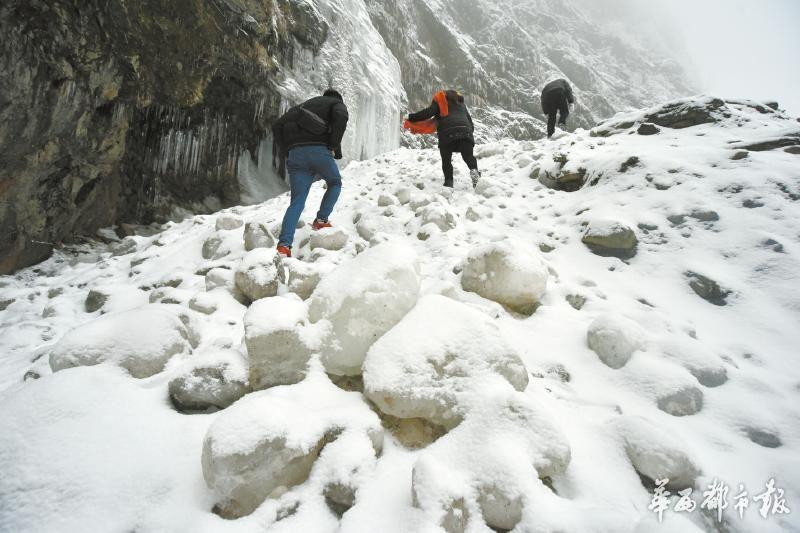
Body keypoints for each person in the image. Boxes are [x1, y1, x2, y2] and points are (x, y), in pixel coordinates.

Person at [272, 89, 349, 258]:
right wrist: (333, 145)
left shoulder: (302, 107)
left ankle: (284, 246)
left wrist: (286, 150)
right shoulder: (336, 104)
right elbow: (340, 119)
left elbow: (277, 125)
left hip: (295, 154)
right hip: (318, 150)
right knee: (335, 183)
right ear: (337, 98)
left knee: (297, 202)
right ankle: (321, 220)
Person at [406, 90, 480, 189]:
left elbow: (427, 113)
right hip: (465, 133)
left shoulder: (440, 102)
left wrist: (410, 117)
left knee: (446, 160)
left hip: (447, 134)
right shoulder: (462, 105)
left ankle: (449, 182)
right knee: (468, 157)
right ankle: (475, 174)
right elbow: (470, 122)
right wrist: (468, 133)